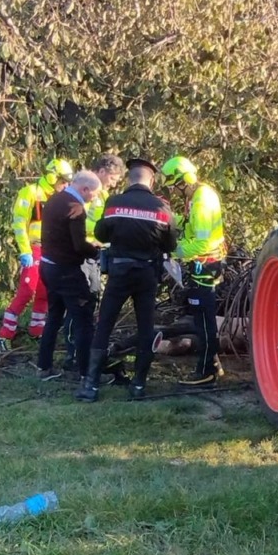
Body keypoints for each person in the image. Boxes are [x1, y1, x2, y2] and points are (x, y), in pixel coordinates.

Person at [76, 156, 177, 402]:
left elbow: (100, 232)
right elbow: (170, 243)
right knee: (145, 327)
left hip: (119, 271)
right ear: (151, 180)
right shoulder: (162, 208)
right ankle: (139, 385)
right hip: (146, 274)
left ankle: (90, 386)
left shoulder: (114, 202)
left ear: (129, 178)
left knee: (105, 325)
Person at [0, 157, 73, 353]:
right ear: (53, 178)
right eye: (64, 181)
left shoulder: (61, 197)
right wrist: (25, 250)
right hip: (34, 248)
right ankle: (3, 336)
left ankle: (37, 330)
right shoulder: (30, 193)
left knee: (45, 291)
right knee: (27, 290)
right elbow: (19, 223)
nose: (67, 185)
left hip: (52, 249)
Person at [160, 154, 226, 388]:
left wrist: (172, 250)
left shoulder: (202, 201)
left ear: (184, 179)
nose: (176, 191)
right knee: (200, 318)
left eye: (176, 186)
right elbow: (190, 225)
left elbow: (202, 243)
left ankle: (207, 371)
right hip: (201, 266)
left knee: (204, 321)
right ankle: (213, 365)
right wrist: (169, 218)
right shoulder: (196, 196)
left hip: (205, 266)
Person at [35, 170, 102, 381]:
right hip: (67, 272)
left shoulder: (55, 199)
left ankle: (43, 367)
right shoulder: (76, 208)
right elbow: (78, 245)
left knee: (54, 317)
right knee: (83, 321)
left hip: (48, 267)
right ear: (85, 189)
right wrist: (97, 251)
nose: (95, 198)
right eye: (95, 194)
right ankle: (87, 374)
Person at [62, 152, 126, 370]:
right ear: (101, 171)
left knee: (92, 300)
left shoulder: (105, 195)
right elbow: (80, 224)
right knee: (79, 304)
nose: (115, 183)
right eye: (113, 177)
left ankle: (85, 349)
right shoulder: (88, 194)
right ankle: (73, 353)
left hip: (96, 254)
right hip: (84, 253)